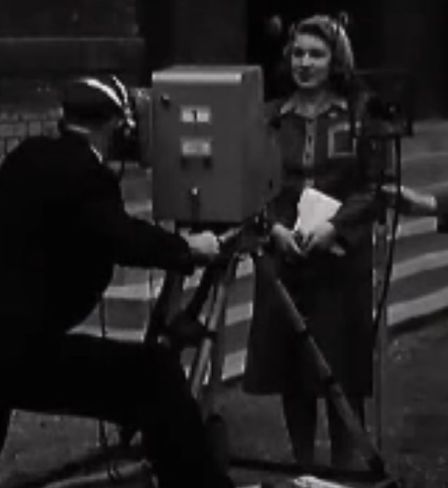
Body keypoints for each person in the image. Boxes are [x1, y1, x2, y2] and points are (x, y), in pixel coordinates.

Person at [0, 75, 234, 488]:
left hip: (11, 340)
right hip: (21, 351)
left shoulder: (26, 156)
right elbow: (120, 236)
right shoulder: (88, 177)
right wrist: (186, 248)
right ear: (118, 127)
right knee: (155, 377)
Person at [243, 15, 381, 470]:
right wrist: (273, 228)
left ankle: (343, 471)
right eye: (298, 53)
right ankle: (302, 468)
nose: (305, 62)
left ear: (335, 60)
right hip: (284, 260)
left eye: (316, 54)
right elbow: (250, 185)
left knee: (341, 371)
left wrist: (335, 227)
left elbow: (374, 186)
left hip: (340, 264)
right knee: (292, 373)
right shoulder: (267, 117)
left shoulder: (359, 116)